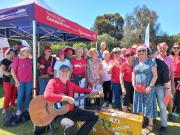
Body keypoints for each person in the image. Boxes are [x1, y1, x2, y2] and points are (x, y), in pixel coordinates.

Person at [44, 65, 99, 135]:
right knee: (70, 124)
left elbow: (80, 89)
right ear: (59, 73)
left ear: (69, 74)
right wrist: (65, 98)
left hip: (70, 111)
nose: (64, 73)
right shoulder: (53, 81)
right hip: (56, 114)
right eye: (62, 72)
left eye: (66, 72)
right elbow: (47, 95)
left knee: (94, 116)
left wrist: (91, 91)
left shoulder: (70, 84)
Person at [132, 46, 157, 134]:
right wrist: (133, 84)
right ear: (137, 52)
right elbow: (133, 74)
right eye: (139, 50)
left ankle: (150, 124)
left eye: (143, 50)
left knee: (148, 104)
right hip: (138, 88)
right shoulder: (135, 62)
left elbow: (155, 76)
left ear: (146, 52)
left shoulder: (151, 61)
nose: (141, 52)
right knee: (140, 104)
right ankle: (141, 121)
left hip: (148, 88)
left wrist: (150, 86)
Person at [148, 48, 169, 134]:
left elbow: (166, 80)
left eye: (152, 53)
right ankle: (151, 120)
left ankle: (164, 126)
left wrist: (167, 92)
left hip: (161, 87)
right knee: (150, 105)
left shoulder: (162, 63)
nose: (150, 54)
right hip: (150, 87)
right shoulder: (146, 63)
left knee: (162, 107)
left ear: (156, 53)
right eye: (149, 53)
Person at [11, 45, 32, 119]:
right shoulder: (17, 59)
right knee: (20, 96)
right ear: (22, 52)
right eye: (27, 51)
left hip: (29, 81)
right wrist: (16, 81)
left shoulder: (29, 60)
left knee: (28, 95)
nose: (29, 52)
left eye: (29, 51)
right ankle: (19, 109)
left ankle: (27, 108)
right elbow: (12, 71)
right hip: (20, 82)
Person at [157, 42, 176, 122]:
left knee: (168, 99)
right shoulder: (155, 58)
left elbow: (171, 73)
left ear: (167, 48)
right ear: (158, 48)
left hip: (167, 84)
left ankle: (170, 113)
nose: (162, 49)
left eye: (164, 47)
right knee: (160, 101)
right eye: (161, 47)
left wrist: (173, 86)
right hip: (157, 84)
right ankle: (160, 114)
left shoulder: (170, 59)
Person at [1, 47, 16, 114]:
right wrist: (12, 75)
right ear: (7, 53)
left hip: (14, 79)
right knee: (8, 94)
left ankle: (13, 105)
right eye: (11, 53)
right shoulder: (4, 61)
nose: (13, 54)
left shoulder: (14, 60)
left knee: (13, 93)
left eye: (13, 53)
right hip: (7, 80)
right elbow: (3, 71)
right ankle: (5, 108)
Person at [120, 48, 135, 112]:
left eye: (131, 54)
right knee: (125, 99)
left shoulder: (136, 63)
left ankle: (132, 114)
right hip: (126, 84)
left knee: (133, 99)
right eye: (127, 55)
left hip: (134, 84)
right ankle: (124, 115)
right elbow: (120, 77)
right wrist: (123, 87)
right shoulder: (124, 64)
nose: (129, 56)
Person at [171, 42, 180, 116]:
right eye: (174, 47)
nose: (176, 49)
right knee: (167, 94)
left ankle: (176, 111)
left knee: (177, 95)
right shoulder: (169, 57)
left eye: (177, 47)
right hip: (169, 78)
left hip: (178, 79)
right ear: (172, 49)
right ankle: (167, 108)